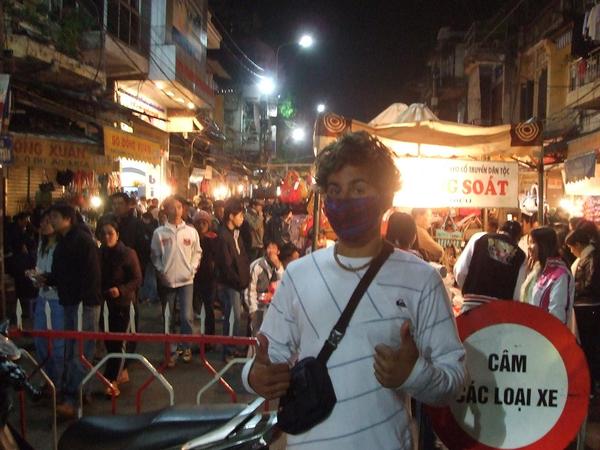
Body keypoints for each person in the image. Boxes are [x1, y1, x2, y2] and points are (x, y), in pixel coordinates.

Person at [242, 131, 466, 450]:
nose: (345, 200)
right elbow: (267, 357)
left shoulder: (422, 280)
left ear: (385, 198)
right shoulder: (298, 274)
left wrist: (413, 374)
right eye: (335, 190)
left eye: (359, 189)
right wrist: (254, 376)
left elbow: (455, 380)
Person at [42, 203, 102, 419]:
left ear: (68, 218)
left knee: (79, 351)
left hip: (82, 304)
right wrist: (46, 279)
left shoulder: (81, 241)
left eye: (55, 216)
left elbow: (91, 275)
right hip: (70, 302)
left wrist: (83, 300)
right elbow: (62, 273)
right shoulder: (64, 241)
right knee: (73, 349)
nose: (51, 220)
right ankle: (80, 392)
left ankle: (73, 399)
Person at [151, 196, 202, 366]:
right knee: (169, 316)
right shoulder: (159, 233)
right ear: (166, 210)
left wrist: (192, 269)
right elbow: (155, 255)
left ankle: (186, 346)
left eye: (180, 207)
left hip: (187, 280)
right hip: (167, 281)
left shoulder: (191, 231)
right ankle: (171, 350)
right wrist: (161, 271)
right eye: (173, 207)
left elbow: (197, 252)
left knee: (187, 316)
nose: (178, 210)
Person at [97, 219, 142, 396]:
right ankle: (121, 371)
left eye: (110, 233)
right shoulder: (99, 253)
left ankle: (111, 380)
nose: (107, 237)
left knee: (119, 342)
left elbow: (137, 279)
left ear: (117, 235)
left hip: (123, 304)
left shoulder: (128, 254)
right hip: (105, 303)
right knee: (109, 341)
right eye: (103, 234)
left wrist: (121, 290)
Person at [454, 221, 526, 310]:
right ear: (518, 239)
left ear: (498, 230)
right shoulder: (520, 255)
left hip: (471, 305)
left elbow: (460, 271)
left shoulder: (479, 238)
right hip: (499, 310)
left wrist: (469, 291)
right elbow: (517, 294)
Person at [31, 210, 65, 395]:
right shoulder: (41, 244)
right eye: (42, 221)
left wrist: (46, 279)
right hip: (42, 297)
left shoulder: (62, 245)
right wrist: (35, 277)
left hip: (57, 300)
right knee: (40, 340)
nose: (43, 225)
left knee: (58, 344)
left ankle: (58, 383)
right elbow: (39, 268)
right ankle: (48, 379)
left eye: (47, 221)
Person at [565, 228, 600, 394]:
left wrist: (574, 291)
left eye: (571, 247)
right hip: (583, 307)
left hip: (588, 309)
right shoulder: (585, 258)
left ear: (578, 244)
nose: (571, 251)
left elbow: (591, 284)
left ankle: (591, 385)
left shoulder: (591, 259)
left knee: (588, 347)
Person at [215, 199, 251, 359]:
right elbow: (226, 265)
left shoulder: (236, 233)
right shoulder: (223, 236)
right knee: (232, 316)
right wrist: (238, 281)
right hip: (230, 284)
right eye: (240, 215)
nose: (242, 218)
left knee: (236, 316)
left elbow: (242, 256)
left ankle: (232, 346)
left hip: (238, 282)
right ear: (231, 216)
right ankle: (228, 349)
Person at [520, 226, 574, 326]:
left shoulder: (560, 274)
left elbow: (557, 314)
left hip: (546, 332)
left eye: (533, 242)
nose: (529, 247)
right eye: (529, 242)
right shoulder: (537, 270)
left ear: (544, 245)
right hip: (531, 330)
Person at [246, 241, 284, 335]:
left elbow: (283, 285)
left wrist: (278, 266)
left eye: (274, 248)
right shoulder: (257, 266)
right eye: (269, 248)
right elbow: (250, 290)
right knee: (257, 335)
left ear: (278, 251)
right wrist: (253, 310)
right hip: (258, 306)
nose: (271, 251)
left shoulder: (279, 266)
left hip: (273, 308)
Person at [192, 210, 218, 338]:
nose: (201, 225)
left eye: (204, 223)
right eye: (199, 223)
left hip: (209, 277)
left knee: (208, 308)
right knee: (196, 307)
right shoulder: (192, 238)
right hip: (195, 276)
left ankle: (209, 337)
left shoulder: (213, 238)